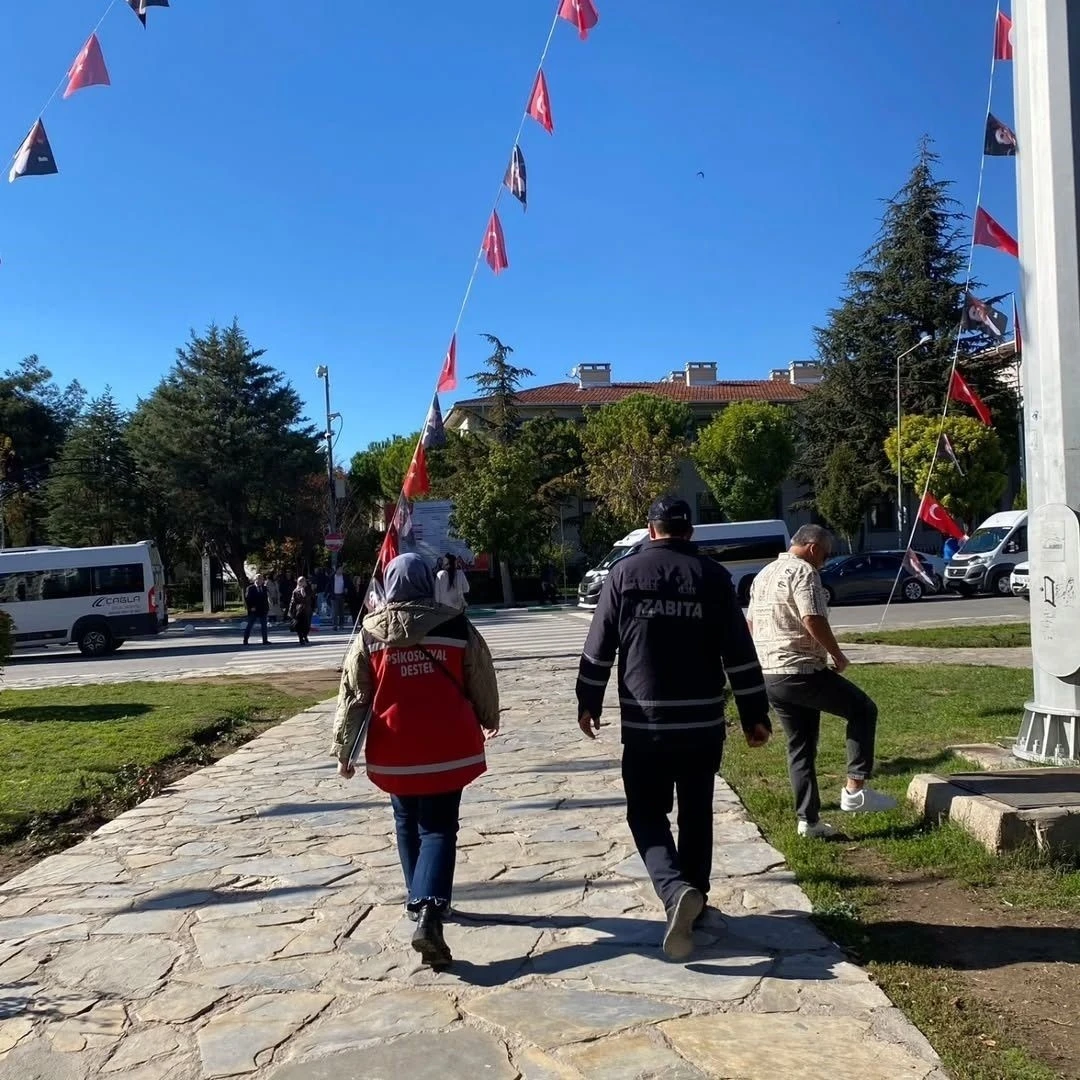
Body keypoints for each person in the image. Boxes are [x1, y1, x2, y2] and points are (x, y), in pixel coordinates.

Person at [576, 495, 772, 962]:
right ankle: (695, 898)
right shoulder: (714, 577)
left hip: (648, 723)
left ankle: (674, 890)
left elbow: (599, 645)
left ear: (651, 529)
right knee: (697, 811)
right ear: (689, 532)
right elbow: (739, 652)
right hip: (703, 722)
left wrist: (588, 700)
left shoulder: (624, 574)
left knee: (645, 813)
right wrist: (754, 714)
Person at [333, 552, 500, 970]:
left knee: (406, 819)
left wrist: (344, 751)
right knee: (440, 828)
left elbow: (355, 696)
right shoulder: (455, 624)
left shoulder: (369, 634)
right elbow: (481, 672)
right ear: (428, 582)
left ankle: (417, 900)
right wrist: (488, 716)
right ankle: (429, 910)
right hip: (447, 747)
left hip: (395, 752)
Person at [747, 524, 896, 840]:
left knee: (800, 745)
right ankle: (855, 791)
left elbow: (750, 623)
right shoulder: (803, 572)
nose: (825, 562)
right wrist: (837, 655)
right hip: (800, 670)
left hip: (771, 673)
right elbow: (812, 617)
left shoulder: (764, 574)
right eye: (826, 555)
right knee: (862, 710)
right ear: (813, 548)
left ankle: (808, 822)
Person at [243, 574, 270, 646]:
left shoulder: (264, 588)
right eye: (258, 579)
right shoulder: (250, 588)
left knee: (264, 625)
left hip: (263, 609)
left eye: (261, 579)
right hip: (254, 609)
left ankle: (265, 640)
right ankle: (245, 640)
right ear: (255, 579)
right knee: (250, 625)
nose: (260, 580)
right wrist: (251, 607)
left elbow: (265, 599)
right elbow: (247, 599)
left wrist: (267, 608)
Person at [288, 576, 315, 645]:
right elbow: (293, 601)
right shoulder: (295, 591)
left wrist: (314, 607)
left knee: (307, 625)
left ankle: (305, 635)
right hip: (299, 610)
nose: (302, 582)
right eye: (300, 581)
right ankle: (301, 638)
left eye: (303, 581)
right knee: (299, 625)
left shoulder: (308, 589)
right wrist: (290, 611)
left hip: (307, 609)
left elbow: (312, 598)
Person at [332, 564, 348, 631]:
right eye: (340, 569)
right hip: (334, 596)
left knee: (342, 611)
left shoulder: (344, 577)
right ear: (337, 570)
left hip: (341, 595)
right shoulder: (333, 577)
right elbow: (329, 585)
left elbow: (347, 584)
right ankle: (335, 625)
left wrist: (346, 589)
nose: (341, 570)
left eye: (342, 569)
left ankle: (341, 625)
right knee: (335, 611)